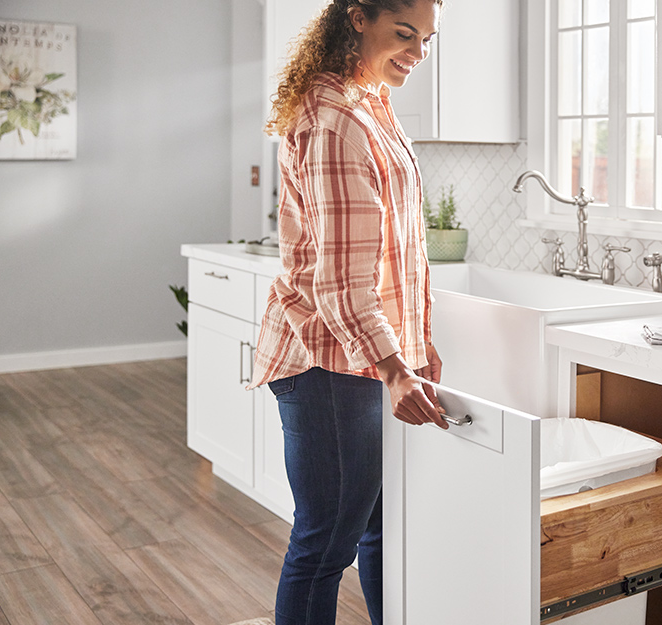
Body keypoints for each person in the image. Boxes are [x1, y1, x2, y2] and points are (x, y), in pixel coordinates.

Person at [248, 1, 445, 623]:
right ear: (358, 18)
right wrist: (394, 367)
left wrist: (416, 347)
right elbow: (340, 281)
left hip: (361, 356)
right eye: (405, 34)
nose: (417, 52)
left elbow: (399, 248)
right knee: (326, 542)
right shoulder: (335, 118)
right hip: (326, 363)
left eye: (427, 39)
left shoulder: (370, 101)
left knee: (381, 527)